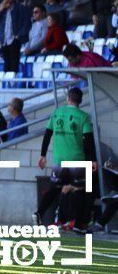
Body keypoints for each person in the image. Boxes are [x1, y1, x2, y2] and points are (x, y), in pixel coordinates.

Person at [34, 87, 96, 228]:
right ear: (80, 101)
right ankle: (79, 224)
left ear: (68, 98)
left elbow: (47, 134)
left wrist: (43, 155)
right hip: (77, 161)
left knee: (54, 189)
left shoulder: (56, 113)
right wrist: (92, 160)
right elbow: (88, 141)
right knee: (82, 189)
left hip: (60, 161)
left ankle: (39, 213)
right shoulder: (84, 117)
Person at [0, 0, 31, 73]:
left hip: (15, 40)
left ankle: (13, 82)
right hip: (4, 40)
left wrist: (19, 34)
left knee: (14, 65)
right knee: (6, 65)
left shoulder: (20, 8)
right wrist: (1, 10)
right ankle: (7, 83)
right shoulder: (2, 9)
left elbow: (27, 23)